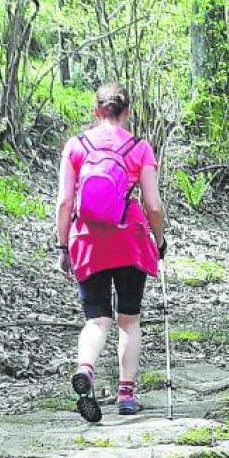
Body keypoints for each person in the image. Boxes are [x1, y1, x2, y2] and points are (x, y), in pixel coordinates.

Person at [55, 82, 166, 421]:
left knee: (97, 320)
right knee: (128, 320)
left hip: (88, 240)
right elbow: (153, 204)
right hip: (130, 240)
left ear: (96, 110)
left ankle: (86, 369)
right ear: (127, 111)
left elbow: (64, 202)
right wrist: (159, 241)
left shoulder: (76, 146)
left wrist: (63, 246)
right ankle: (127, 394)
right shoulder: (140, 147)